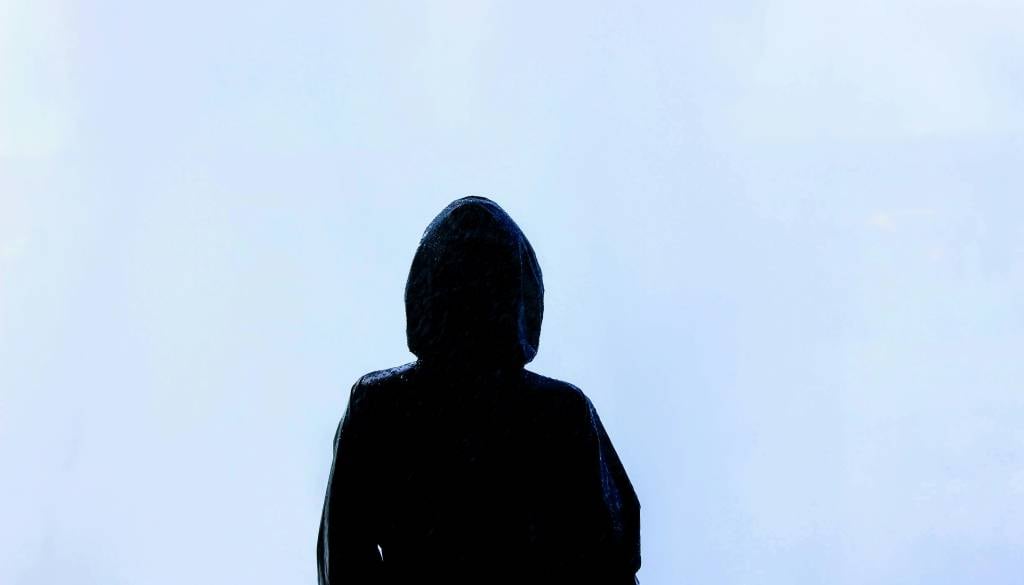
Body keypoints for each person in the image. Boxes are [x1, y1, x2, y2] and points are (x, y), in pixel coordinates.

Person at [316, 196, 640, 584]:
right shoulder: (560, 413)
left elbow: (609, 561)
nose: (471, 295)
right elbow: (611, 559)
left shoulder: (379, 406)